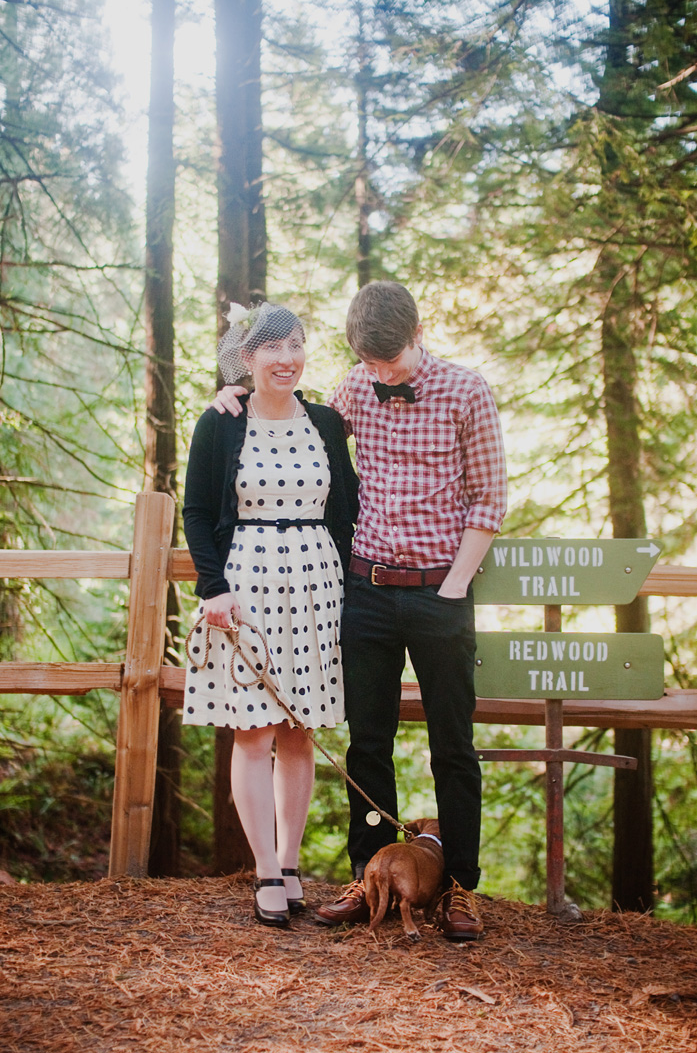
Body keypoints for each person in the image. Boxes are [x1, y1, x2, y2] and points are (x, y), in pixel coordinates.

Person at [213, 282, 507, 941]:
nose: (379, 374)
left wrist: (456, 585)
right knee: (367, 742)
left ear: (418, 333)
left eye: (390, 362)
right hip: (367, 593)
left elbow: (490, 498)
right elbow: (290, 414)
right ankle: (364, 874)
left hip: (441, 593)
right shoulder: (351, 389)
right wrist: (234, 398)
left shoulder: (467, 392)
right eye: (369, 364)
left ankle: (460, 886)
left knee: (453, 748)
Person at [183, 302, 358, 929]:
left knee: (299, 730)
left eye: (296, 346)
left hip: (317, 585)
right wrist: (214, 588)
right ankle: (262, 868)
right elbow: (198, 513)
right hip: (247, 586)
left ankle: (290, 862)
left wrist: (350, 588)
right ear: (248, 358)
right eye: (272, 348)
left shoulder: (328, 424)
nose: (286, 359)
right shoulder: (221, 422)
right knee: (254, 733)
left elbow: (347, 511)